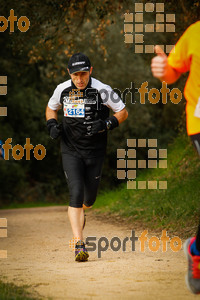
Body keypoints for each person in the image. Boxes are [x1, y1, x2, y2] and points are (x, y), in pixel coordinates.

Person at [46, 53, 128, 262]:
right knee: (75, 192)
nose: (79, 79)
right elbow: (51, 108)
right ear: (69, 74)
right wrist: (52, 125)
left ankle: (82, 213)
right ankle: (79, 243)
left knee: (88, 200)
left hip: (95, 152)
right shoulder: (62, 89)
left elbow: (122, 112)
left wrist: (107, 123)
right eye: (75, 75)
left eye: (83, 74)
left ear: (90, 71)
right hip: (71, 149)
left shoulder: (102, 90)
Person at [151, 21, 200, 294]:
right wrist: (164, 70)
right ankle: (197, 253)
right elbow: (173, 71)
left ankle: (196, 248)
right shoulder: (196, 32)